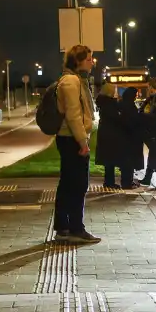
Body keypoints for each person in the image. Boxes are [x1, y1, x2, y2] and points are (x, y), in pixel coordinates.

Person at [53, 45, 99, 244]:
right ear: (78, 61)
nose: (92, 62)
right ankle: (75, 228)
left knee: (67, 184)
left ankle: (63, 226)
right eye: (88, 58)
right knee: (78, 185)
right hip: (72, 139)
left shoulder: (75, 80)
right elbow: (73, 115)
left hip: (70, 138)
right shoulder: (71, 81)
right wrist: (83, 142)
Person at [95, 85, 144, 190]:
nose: (116, 93)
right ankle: (117, 182)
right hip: (113, 136)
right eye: (114, 91)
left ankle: (110, 182)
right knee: (117, 160)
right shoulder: (111, 104)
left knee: (110, 160)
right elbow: (120, 120)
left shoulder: (108, 103)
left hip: (108, 135)